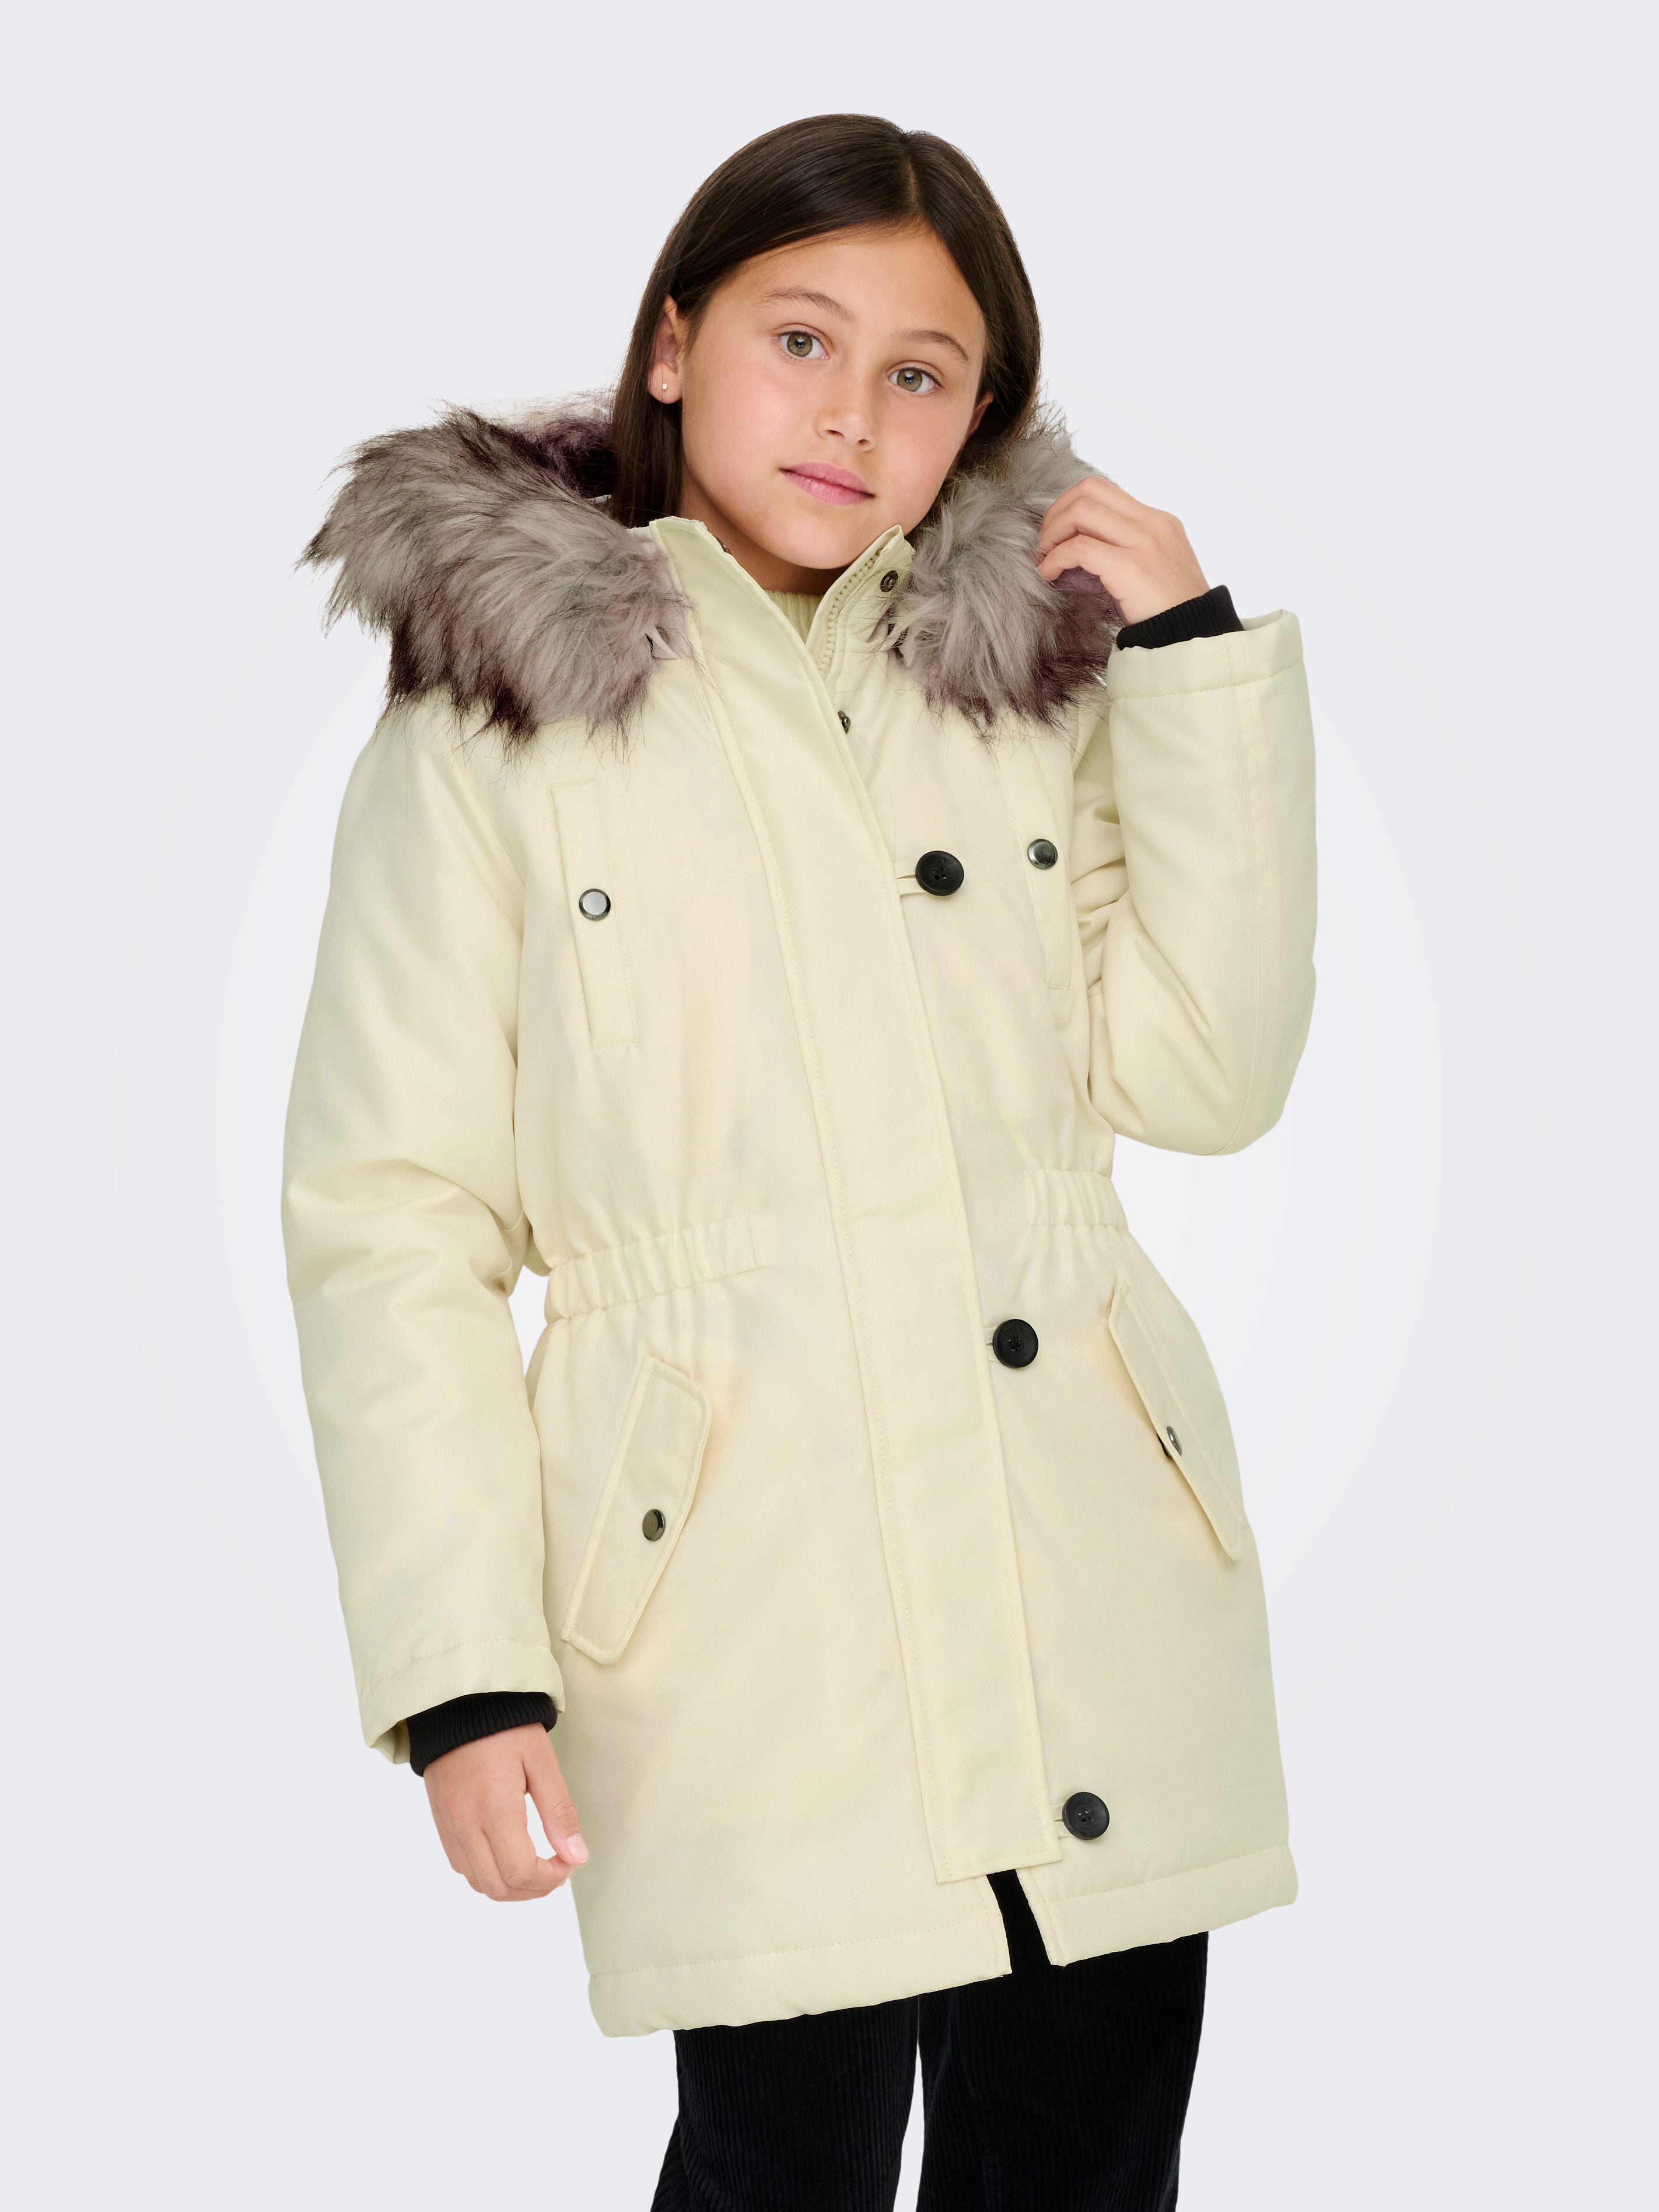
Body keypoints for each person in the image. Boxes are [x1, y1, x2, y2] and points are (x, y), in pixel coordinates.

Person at [284, 111, 1317, 2211]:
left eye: (920, 373)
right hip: (734, 1609)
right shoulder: (492, 726)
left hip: (1085, 1579)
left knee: (1087, 2160)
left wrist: (1192, 671)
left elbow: (1206, 1076)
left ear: (978, 425)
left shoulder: (1030, 688)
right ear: (675, 345)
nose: (852, 413)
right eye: (800, 339)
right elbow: (391, 1216)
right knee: (779, 2167)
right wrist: (462, 1675)